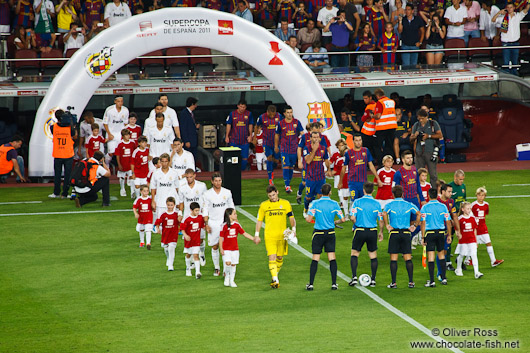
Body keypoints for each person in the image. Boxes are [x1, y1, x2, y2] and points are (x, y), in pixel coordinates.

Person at [305, 183, 346, 291]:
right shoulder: (334, 204)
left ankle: (311, 284)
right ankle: (334, 284)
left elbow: (308, 219)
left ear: (321, 192)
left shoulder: (315, 203)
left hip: (318, 233)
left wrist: (315, 220)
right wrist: (334, 222)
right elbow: (343, 219)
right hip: (330, 233)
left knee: (315, 257)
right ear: (330, 192)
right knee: (332, 257)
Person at [255, 185, 296, 288]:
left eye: (273, 195)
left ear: (277, 192)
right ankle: (275, 280)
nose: (272, 197)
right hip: (269, 235)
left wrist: (293, 229)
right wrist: (257, 234)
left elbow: (291, 217)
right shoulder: (264, 205)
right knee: (272, 257)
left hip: (283, 235)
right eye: (270, 196)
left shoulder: (285, 203)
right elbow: (259, 221)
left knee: (279, 257)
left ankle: (274, 275)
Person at [383, 185, 420, 288]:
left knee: (393, 258)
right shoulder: (409, 204)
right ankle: (411, 282)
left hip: (394, 233)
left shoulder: (390, 204)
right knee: (407, 257)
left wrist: (387, 225)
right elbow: (419, 214)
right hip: (406, 233)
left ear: (393, 194)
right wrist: (415, 225)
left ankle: (394, 283)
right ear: (403, 193)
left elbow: (384, 213)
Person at [349, 182, 383, 287]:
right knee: (373, 255)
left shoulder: (357, 202)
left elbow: (352, 217)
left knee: (354, 254)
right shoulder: (377, 203)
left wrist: (356, 223)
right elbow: (380, 220)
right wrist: (381, 231)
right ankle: (373, 280)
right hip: (372, 231)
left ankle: (354, 277)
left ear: (363, 190)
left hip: (360, 230)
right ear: (373, 190)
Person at [203, 172, 235, 276]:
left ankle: (226, 269)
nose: (218, 183)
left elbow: (232, 207)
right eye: (216, 181)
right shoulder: (207, 194)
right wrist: (206, 224)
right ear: (212, 181)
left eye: (219, 180)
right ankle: (217, 268)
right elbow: (205, 209)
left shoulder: (227, 192)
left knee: (226, 246)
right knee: (215, 246)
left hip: (226, 223)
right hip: (213, 223)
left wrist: (234, 221)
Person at [420, 187, 452, 287]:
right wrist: (449, 235)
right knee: (441, 255)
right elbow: (448, 222)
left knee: (431, 257)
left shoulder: (425, 207)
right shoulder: (443, 207)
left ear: (429, 195)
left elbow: (423, 223)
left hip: (429, 233)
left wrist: (422, 237)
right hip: (441, 233)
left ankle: (432, 281)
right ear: (437, 195)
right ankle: (444, 278)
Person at [220, 208, 259, 288]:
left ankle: (232, 280)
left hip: (235, 249)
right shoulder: (223, 226)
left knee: (233, 264)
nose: (236, 215)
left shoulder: (237, 225)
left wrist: (253, 238)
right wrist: (221, 249)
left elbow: (244, 233)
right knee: (228, 263)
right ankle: (227, 277)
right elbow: (221, 238)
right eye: (234, 214)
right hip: (226, 249)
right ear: (229, 215)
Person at [340, 133, 381, 204]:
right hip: (353, 182)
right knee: (354, 201)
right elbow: (344, 168)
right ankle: (352, 214)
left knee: (363, 202)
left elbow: (371, 165)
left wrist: (378, 178)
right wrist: (340, 182)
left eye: (360, 140)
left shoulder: (366, 151)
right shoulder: (349, 153)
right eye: (356, 140)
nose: (358, 142)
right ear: (353, 141)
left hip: (363, 182)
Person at [179, 168, 208, 266]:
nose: (189, 179)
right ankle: (191, 260)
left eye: (191, 177)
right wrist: (180, 213)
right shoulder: (182, 187)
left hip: (199, 216)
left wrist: (205, 213)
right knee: (188, 239)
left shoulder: (202, 186)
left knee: (200, 238)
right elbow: (181, 202)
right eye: (187, 177)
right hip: (187, 216)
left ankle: (202, 253)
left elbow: (205, 200)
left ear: (195, 176)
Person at [492, 2, 530, 75]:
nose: (509, 9)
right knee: (506, 62)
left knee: (515, 62)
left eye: (511, 7)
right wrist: (499, 13)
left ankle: (515, 76)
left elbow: (526, 9)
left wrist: (528, 2)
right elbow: (493, 20)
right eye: (508, 7)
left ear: (514, 8)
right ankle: (507, 77)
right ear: (506, 8)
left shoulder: (518, 16)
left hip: (515, 43)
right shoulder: (503, 18)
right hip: (506, 43)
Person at [471, 187, 504, 267]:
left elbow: (486, 213)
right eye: (479, 195)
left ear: (485, 196)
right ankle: (466, 260)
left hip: (483, 228)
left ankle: (493, 261)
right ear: (476, 195)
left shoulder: (486, 205)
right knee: (473, 245)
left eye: (483, 195)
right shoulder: (473, 205)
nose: (481, 197)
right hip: (475, 229)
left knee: (488, 243)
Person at [410, 109, 442, 187]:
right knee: (418, 174)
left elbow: (440, 135)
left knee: (433, 175)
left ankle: (434, 192)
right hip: (419, 152)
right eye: (419, 118)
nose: (421, 120)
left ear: (427, 117)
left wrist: (429, 136)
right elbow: (411, 139)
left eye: (422, 118)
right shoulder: (416, 125)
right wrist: (415, 136)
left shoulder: (433, 124)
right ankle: (419, 191)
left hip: (430, 151)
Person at [274, 105, 303, 193]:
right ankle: (287, 186)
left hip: (294, 149)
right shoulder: (280, 123)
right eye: (288, 112)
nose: (290, 114)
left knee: (291, 167)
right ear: (284, 113)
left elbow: (302, 133)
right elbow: (277, 134)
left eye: (291, 112)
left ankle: (288, 182)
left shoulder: (297, 122)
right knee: (285, 166)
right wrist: (276, 146)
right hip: (284, 148)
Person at [302, 131, 331, 217]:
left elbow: (326, 160)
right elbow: (308, 161)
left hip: (321, 177)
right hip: (310, 177)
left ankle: (320, 212)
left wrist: (329, 169)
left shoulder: (323, 148)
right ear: (310, 138)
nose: (316, 139)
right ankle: (306, 209)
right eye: (314, 137)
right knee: (308, 197)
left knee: (321, 196)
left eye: (317, 137)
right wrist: (314, 150)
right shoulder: (306, 148)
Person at [50, 110, 76, 199]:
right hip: (68, 154)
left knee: (57, 175)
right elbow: (74, 134)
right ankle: (65, 193)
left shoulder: (53, 127)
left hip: (58, 154)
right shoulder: (70, 128)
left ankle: (56, 192)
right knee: (67, 175)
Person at [255, 105, 282, 184]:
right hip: (267, 142)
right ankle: (270, 178)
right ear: (267, 112)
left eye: (274, 114)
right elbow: (256, 126)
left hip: (277, 142)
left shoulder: (279, 116)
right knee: (269, 157)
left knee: (276, 161)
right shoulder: (262, 117)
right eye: (271, 114)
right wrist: (254, 138)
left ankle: (271, 169)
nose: (272, 116)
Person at [455, 201, 483, 278]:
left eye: (470, 208)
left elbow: (474, 230)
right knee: (461, 255)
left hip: (472, 240)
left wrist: (476, 241)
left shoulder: (472, 218)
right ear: (463, 209)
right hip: (463, 241)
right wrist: (458, 235)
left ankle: (476, 272)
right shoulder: (460, 219)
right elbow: (457, 229)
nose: (469, 210)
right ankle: (458, 269)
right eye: (467, 209)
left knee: (474, 255)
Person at [225, 100, 254, 171]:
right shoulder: (232, 114)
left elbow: (250, 124)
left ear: (245, 107)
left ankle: (242, 171)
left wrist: (250, 135)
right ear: (238, 106)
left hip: (244, 140)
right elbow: (228, 124)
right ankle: (234, 171)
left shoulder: (249, 114)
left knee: (244, 158)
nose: (242, 108)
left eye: (243, 107)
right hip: (234, 139)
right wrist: (227, 136)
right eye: (241, 107)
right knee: (234, 157)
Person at [150, 153, 179, 222]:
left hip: (171, 202)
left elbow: (177, 187)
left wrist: (176, 200)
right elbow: (153, 187)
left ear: (169, 162)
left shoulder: (174, 173)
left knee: (172, 223)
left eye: (166, 161)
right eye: (162, 161)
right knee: (161, 223)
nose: (164, 163)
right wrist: (153, 200)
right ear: (160, 162)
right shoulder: (156, 173)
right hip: (160, 201)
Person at [373, 88, 398, 167]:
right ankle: (389, 164)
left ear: (377, 95)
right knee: (389, 146)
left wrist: (371, 116)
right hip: (392, 127)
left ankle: (381, 164)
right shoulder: (392, 101)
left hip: (382, 127)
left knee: (377, 146)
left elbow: (378, 116)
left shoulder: (380, 102)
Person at [181, 202, 206, 277]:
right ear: (191, 210)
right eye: (196, 211)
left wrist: (207, 229)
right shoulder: (186, 218)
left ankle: (197, 272)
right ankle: (188, 268)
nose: (197, 212)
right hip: (189, 241)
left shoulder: (200, 217)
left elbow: (202, 226)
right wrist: (185, 235)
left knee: (196, 255)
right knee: (188, 255)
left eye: (198, 210)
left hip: (196, 240)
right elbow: (182, 228)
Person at [155, 196, 180, 271]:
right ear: (166, 204)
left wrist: (180, 229)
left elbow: (180, 223)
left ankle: (171, 265)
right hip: (165, 235)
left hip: (173, 235)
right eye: (168, 205)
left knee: (171, 248)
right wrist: (158, 228)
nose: (170, 207)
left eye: (171, 205)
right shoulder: (164, 215)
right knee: (166, 249)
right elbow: (158, 222)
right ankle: (168, 258)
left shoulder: (176, 215)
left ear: (174, 205)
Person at [103, 95, 129, 164]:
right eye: (118, 101)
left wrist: (125, 135)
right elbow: (105, 123)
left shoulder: (125, 110)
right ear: (115, 101)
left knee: (122, 152)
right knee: (111, 152)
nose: (120, 103)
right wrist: (109, 134)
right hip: (111, 134)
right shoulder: (109, 110)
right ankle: (107, 166)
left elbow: (126, 123)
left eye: (121, 101)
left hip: (120, 135)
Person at [115, 129, 136, 198]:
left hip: (130, 164)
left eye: (128, 135)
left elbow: (135, 153)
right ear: (123, 136)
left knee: (132, 177)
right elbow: (117, 155)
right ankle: (122, 189)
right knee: (122, 178)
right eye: (126, 135)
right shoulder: (119, 144)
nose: (128, 136)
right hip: (123, 163)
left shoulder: (132, 143)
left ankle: (132, 191)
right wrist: (119, 164)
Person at [133, 184, 153, 249]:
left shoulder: (150, 199)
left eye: (147, 191)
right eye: (144, 191)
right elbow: (134, 207)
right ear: (141, 191)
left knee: (148, 230)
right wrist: (135, 213)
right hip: (141, 218)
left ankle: (148, 243)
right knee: (141, 230)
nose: (146, 192)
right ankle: (142, 242)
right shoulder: (138, 199)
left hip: (149, 217)